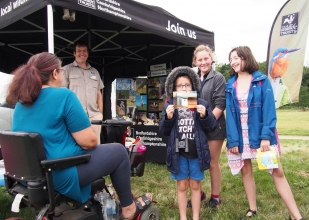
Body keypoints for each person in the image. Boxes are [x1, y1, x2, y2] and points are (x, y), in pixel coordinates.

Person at [6, 52, 152, 220]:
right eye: (61, 71)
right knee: (118, 152)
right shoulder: (63, 95)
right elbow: (89, 141)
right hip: (56, 174)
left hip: (28, 178)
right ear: (55, 73)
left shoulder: (21, 103)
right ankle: (128, 208)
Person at [225, 46, 304, 220]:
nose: (233, 61)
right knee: (246, 170)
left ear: (246, 58)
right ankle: (252, 208)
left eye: (237, 57)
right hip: (240, 136)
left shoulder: (261, 81)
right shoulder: (230, 83)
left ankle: (296, 216)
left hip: (259, 135)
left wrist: (265, 136)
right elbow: (229, 115)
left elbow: (269, 110)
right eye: (231, 59)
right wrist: (233, 141)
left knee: (277, 171)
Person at [159, 66, 217, 220]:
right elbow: (163, 130)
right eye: (180, 85)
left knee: (196, 186)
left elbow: (212, 127)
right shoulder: (169, 106)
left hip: (197, 152)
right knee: (182, 186)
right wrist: (168, 118)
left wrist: (205, 115)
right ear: (174, 88)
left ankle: (196, 216)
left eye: (187, 85)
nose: (184, 88)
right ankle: (183, 217)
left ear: (193, 86)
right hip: (179, 153)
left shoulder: (202, 104)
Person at [191, 44, 226, 209]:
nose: (203, 62)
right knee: (197, 161)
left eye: (206, 58)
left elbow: (220, 104)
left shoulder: (218, 77)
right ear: (195, 61)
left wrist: (207, 121)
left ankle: (215, 197)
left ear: (211, 59)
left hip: (214, 127)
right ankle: (199, 193)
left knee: (212, 162)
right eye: (200, 59)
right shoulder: (192, 78)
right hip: (195, 128)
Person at [62, 40, 104, 144]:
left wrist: (100, 114)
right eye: (79, 51)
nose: (82, 53)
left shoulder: (94, 71)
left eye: (84, 51)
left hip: (94, 116)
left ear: (88, 53)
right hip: (75, 116)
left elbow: (99, 94)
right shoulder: (66, 70)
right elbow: (62, 93)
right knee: (77, 146)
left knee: (96, 146)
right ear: (74, 53)